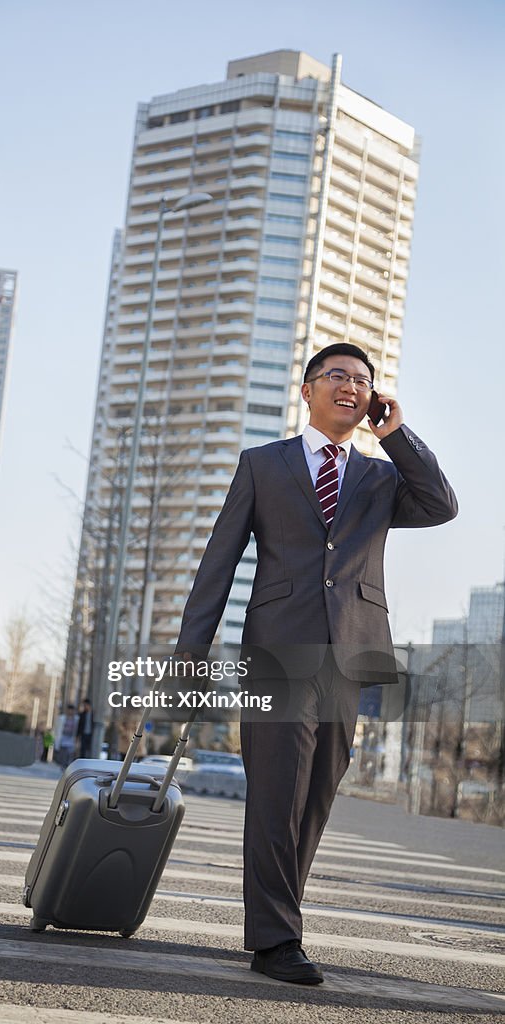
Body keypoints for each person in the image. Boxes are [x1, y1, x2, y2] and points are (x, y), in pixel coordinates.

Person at [175, 342, 457, 985]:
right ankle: (276, 939)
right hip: (278, 644)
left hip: (350, 648)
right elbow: (218, 563)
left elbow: (441, 504)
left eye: (362, 381)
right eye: (337, 376)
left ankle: (278, 921)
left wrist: (397, 434)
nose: (351, 387)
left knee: (317, 790)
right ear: (308, 390)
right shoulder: (263, 466)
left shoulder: (383, 477)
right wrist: (191, 655)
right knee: (277, 790)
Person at [54, 704, 78, 769]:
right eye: (69, 710)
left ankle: (68, 766)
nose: (70, 712)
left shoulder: (76, 719)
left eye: (72, 710)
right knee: (63, 753)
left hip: (71, 738)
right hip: (63, 737)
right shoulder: (62, 718)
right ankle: (63, 766)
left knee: (70, 753)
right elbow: (57, 728)